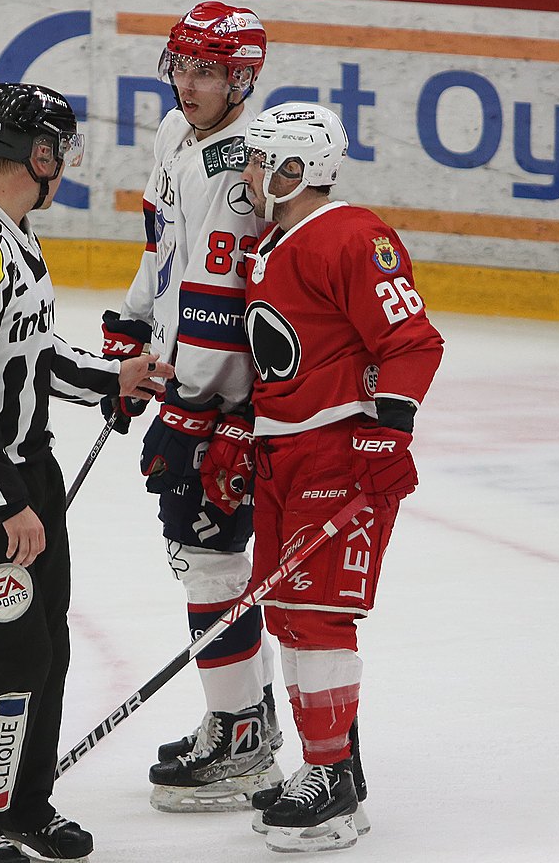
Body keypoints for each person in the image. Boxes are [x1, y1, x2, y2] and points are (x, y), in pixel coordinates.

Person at [0, 82, 172, 863]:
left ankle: (24, 806)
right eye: (60, 148)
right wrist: (8, 504)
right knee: (5, 655)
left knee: (45, 644)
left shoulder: (14, 235)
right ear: (36, 154)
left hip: (18, 470)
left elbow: (32, 355)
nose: (66, 162)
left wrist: (111, 379)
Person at [238, 102, 445, 852]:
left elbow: (413, 342)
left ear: (297, 170)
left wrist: (388, 434)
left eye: (262, 161)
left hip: (335, 453)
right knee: (285, 612)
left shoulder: (354, 237)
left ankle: (327, 782)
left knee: (318, 614)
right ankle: (335, 771)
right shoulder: (274, 239)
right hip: (282, 453)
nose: (250, 173)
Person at [100, 0, 283, 812]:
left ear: (243, 77)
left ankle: (243, 740)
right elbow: (164, 248)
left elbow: (222, 300)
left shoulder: (240, 169)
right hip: (183, 377)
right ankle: (243, 719)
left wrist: (193, 410)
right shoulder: (176, 133)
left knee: (213, 563)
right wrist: (132, 325)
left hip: (229, 400)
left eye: (206, 70)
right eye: (180, 64)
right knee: (200, 561)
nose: (187, 82)